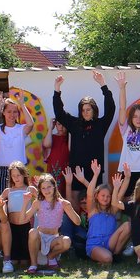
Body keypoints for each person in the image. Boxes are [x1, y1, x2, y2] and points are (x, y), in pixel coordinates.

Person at [54, 71, 116, 205]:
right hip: (77, 170)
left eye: (88, 109)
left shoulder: (100, 125)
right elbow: (59, 114)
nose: (85, 112)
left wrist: (103, 85)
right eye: (83, 110)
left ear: (94, 110)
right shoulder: (75, 124)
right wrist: (57, 89)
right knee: (76, 202)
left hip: (95, 172)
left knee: (95, 203)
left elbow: (111, 109)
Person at [74, 159, 130, 265]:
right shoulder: (92, 209)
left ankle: (116, 255)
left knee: (128, 225)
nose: (105, 198)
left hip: (110, 242)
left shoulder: (112, 210)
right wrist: (95, 175)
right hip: (95, 245)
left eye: (108, 196)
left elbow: (120, 194)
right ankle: (105, 257)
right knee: (107, 258)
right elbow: (90, 193)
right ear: (97, 196)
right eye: (103, 195)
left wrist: (127, 177)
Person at [25, 171, 80, 274]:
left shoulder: (62, 203)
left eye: (49, 187)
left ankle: (51, 257)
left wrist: (70, 208)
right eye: (43, 188)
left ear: (54, 187)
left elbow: (77, 222)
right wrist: (25, 202)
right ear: (40, 190)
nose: (47, 190)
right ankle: (33, 264)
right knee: (32, 232)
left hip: (53, 239)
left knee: (67, 241)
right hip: (40, 238)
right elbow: (25, 218)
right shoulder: (38, 202)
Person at [0, 91, 34, 189]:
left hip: (20, 170)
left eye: (15, 112)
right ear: (3, 113)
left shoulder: (21, 128)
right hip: (3, 170)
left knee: (21, 196)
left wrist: (22, 105)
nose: (12, 114)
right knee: (2, 196)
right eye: (9, 111)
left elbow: (30, 124)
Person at [1, 161, 36, 267]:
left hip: (26, 225)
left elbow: (42, 199)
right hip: (12, 227)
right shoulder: (8, 191)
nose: (16, 178)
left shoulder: (30, 189)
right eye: (13, 176)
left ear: (24, 174)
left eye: (18, 175)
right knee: (14, 261)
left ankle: (28, 258)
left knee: (25, 262)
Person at [43, 120, 71, 198]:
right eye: (59, 124)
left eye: (64, 125)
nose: (61, 127)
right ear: (55, 125)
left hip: (65, 171)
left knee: (64, 193)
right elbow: (46, 144)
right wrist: (50, 128)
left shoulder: (68, 138)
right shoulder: (52, 137)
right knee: (52, 191)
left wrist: (70, 132)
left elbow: (70, 150)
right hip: (53, 169)